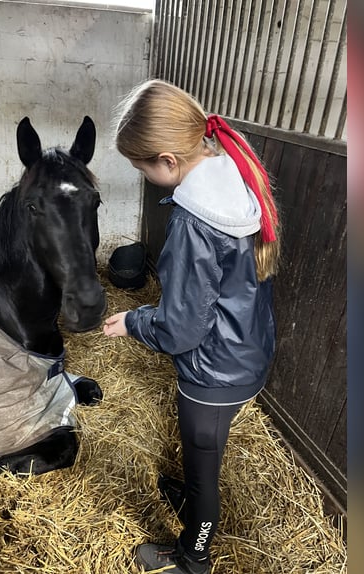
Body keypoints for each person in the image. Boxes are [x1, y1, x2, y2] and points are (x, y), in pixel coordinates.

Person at [102, 80, 281, 574]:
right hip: (246, 349)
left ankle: (193, 555)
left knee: (205, 471)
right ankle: (194, 504)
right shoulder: (234, 176)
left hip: (214, 373)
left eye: (141, 169)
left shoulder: (194, 221)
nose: (144, 176)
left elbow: (180, 329)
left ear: (166, 160)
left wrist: (135, 321)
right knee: (204, 451)